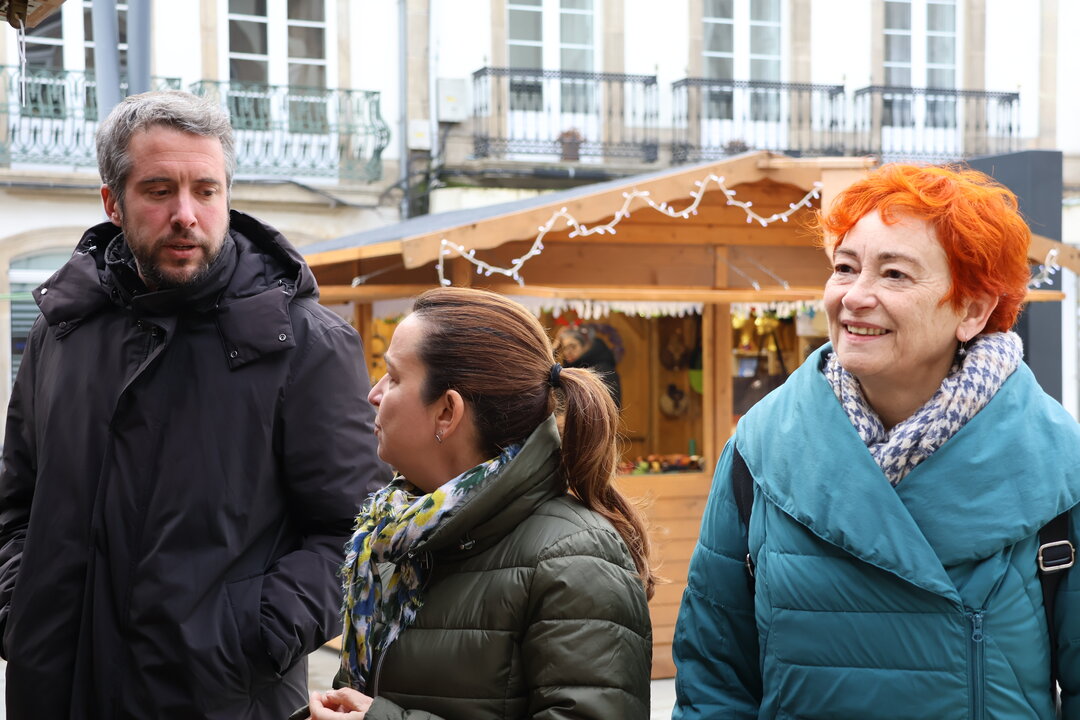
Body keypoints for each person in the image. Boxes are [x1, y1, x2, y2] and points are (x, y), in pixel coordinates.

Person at [0, 91, 386, 719]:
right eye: (158, 190)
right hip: (56, 690)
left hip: (222, 698)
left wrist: (251, 635)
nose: (186, 214)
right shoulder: (63, 330)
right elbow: (17, 502)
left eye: (205, 191)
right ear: (112, 202)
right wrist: (20, 608)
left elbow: (350, 530)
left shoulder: (303, 343)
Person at [672, 164, 1080, 719]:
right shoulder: (759, 451)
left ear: (973, 309)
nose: (856, 296)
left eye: (894, 275)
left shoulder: (1058, 462)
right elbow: (714, 683)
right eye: (845, 268)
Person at [304, 287, 654, 720]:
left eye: (393, 377)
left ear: (447, 413)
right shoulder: (397, 537)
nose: (374, 394)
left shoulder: (574, 558)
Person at [556, 325, 622, 408]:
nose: (567, 352)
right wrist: (554, 347)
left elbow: (610, 406)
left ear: (585, 346)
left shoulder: (603, 370)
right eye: (564, 348)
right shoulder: (566, 370)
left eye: (572, 346)